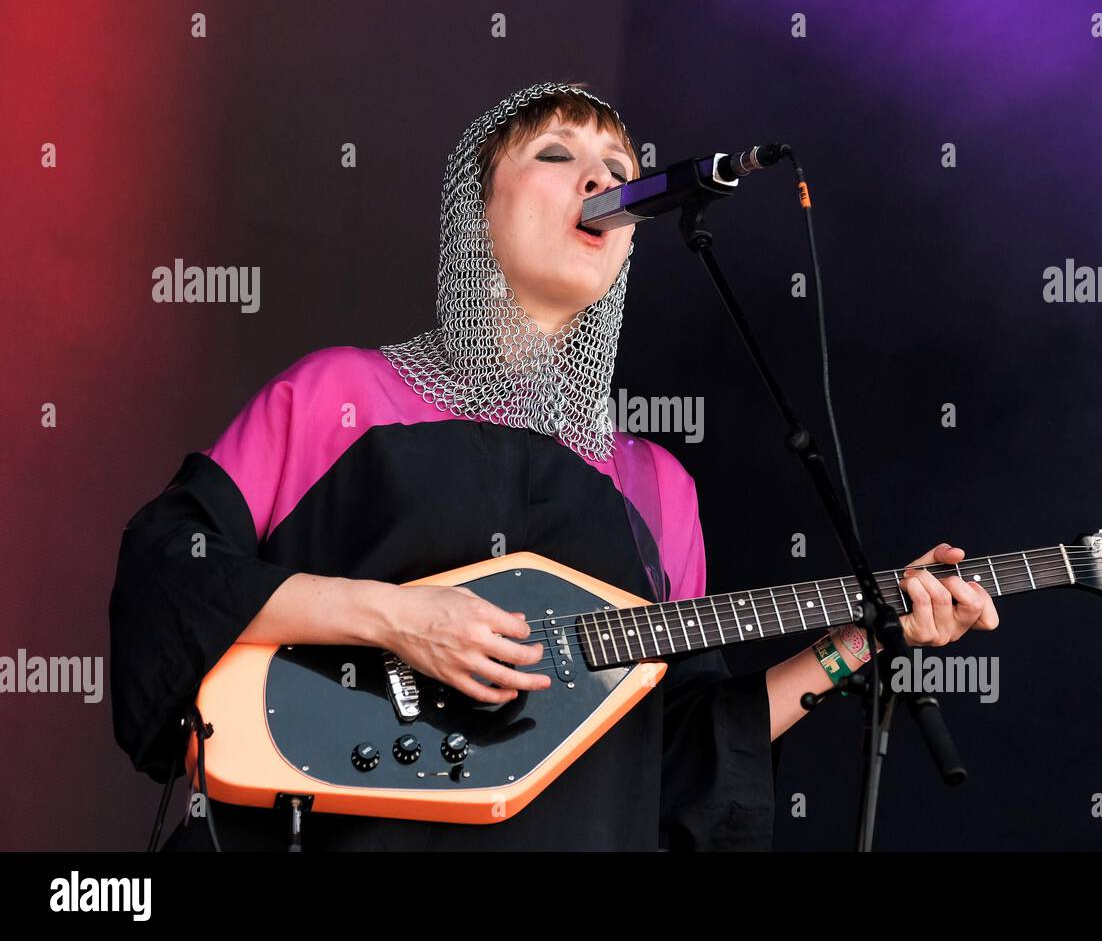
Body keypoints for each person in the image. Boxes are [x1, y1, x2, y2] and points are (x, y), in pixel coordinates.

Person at [108, 81, 999, 851]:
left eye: (621, 163)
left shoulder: (656, 486)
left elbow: (676, 747)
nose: (607, 180)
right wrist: (392, 617)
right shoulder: (342, 395)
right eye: (558, 152)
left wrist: (860, 642)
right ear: (476, 212)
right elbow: (171, 573)